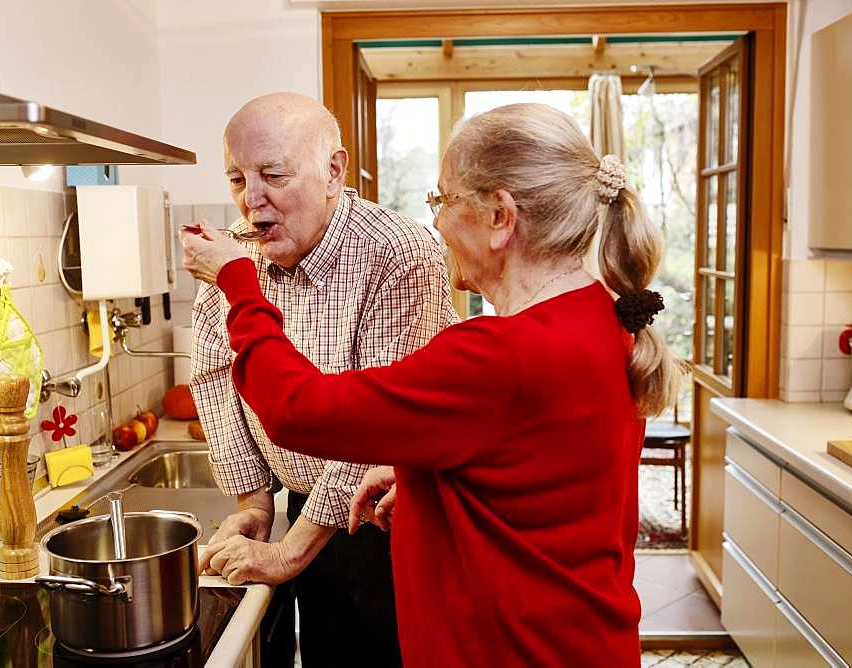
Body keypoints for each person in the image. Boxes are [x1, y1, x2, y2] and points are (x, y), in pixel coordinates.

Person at [183, 102, 678, 666]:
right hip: (576, 640)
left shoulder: (497, 357)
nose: (437, 222)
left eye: (443, 201)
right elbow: (534, 471)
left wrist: (236, 284)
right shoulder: (599, 316)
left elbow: (297, 410)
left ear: (500, 216)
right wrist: (421, 477)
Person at [187, 91, 457, 668]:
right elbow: (214, 375)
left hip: (394, 519)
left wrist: (288, 554)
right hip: (307, 506)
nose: (250, 200)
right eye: (236, 178)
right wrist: (257, 505)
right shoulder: (236, 254)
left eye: (272, 175)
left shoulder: (399, 253)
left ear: (333, 170)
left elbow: (380, 428)